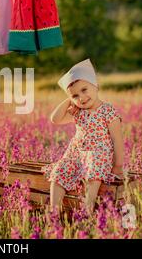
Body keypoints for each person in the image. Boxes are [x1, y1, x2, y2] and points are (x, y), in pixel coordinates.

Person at [42, 59, 125, 215]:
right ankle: (53, 212)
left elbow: (117, 139)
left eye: (84, 90)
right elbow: (55, 119)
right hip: (77, 154)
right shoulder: (78, 112)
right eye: (75, 95)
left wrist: (118, 165)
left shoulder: (107, 110)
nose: (81, 97)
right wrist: (69, 100)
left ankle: (86, 211)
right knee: (59, 171)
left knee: (92, 173)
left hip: (98, 155)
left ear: (96, 85)